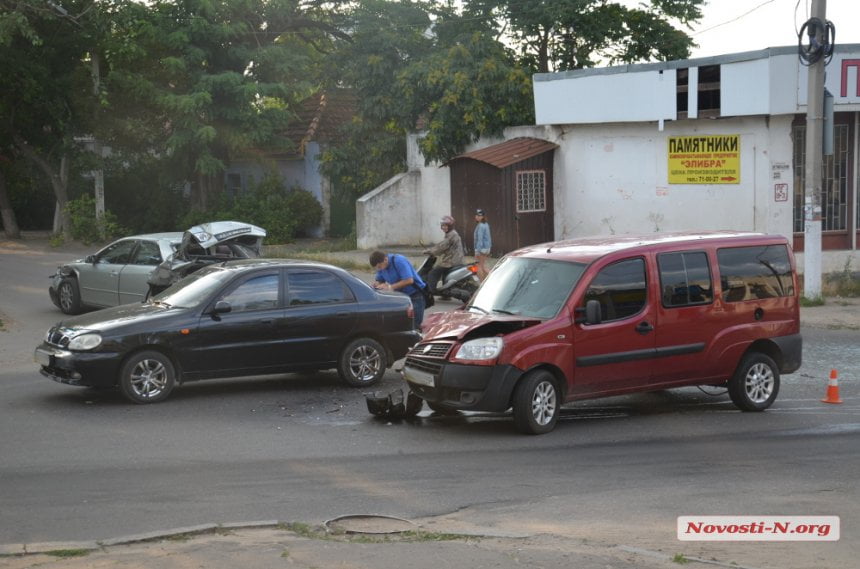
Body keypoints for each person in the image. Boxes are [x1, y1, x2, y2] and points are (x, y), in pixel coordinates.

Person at [369, 250, 426, 329]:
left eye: (379, 267)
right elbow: (380, 279)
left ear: (385, 259)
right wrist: (377, 284)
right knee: (401, 325)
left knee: (413, 326)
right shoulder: (381, 267)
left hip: (415, 295)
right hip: (401, 297)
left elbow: (409, 280)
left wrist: (390, 287)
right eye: (377, 268)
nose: (379, 269)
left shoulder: (399, 261)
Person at [423, 215, 464, 294]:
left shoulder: (451, 235)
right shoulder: (451, 234)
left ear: (450, 226)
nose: (444, 227)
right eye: (443, 225)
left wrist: (430, 251)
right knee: (444, 273)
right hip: (455, 259)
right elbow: (444, 247)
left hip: (452, 260)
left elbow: (441, 247)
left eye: (446, 226)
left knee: (433, 273)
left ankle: (430, 292)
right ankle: (445, 294)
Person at [473, 208, 491, 281]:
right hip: (486, 248)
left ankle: (481, 284)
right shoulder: (486, 224)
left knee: (478, 266)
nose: (477, 217)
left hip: (481, 249)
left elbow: (480, 240)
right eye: (476, 215)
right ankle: (489, 279)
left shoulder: (480, 226)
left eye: (479, 216)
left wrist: (477, 251)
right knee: (482, 266)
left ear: (483, 217)